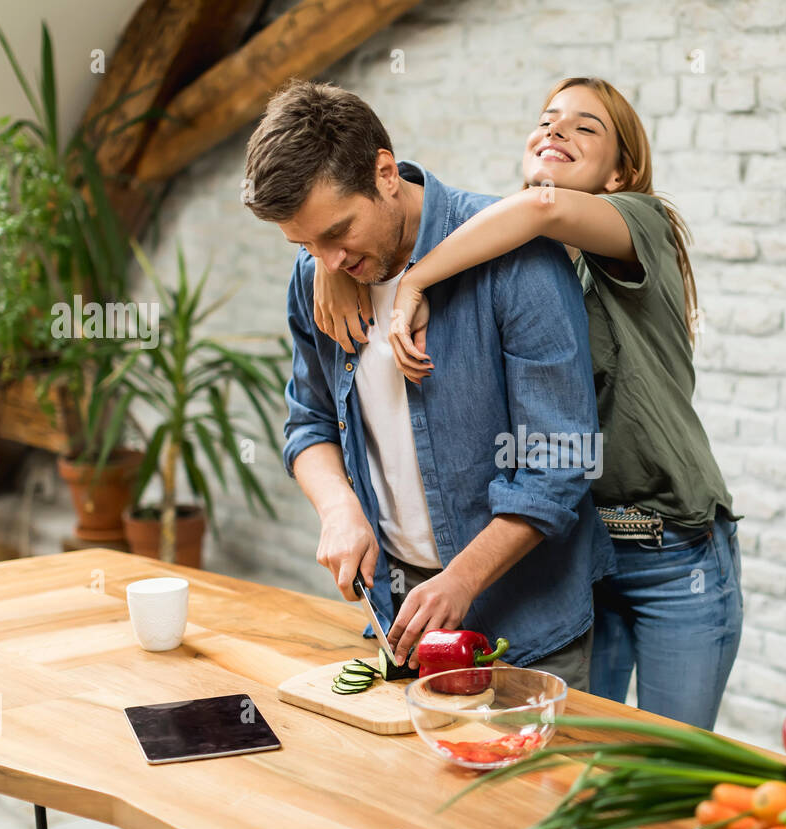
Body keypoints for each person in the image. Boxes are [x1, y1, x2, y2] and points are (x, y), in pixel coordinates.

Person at [311, 78, 742, 729]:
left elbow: (536, 209)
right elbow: (390, 208)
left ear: (622, 170)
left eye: (585, 127)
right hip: (582, 550)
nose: (557, 131)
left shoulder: (640, 222)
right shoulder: (507, 249)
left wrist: (417, 278)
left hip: (668, 549)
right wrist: (331, 259)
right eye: (546, 119)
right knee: (588, 758)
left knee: (665, 757)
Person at [243, 80, 615, 690]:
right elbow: (307, 423)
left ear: (385, 173)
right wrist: (338, 508)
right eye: (305, 243)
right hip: (401, 617)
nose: (324, 260)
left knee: (526, 788)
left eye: (337, 232)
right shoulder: (318, 274)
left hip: (528, 627)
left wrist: (464, 579)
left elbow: (559, 462)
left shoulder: (515, 258)